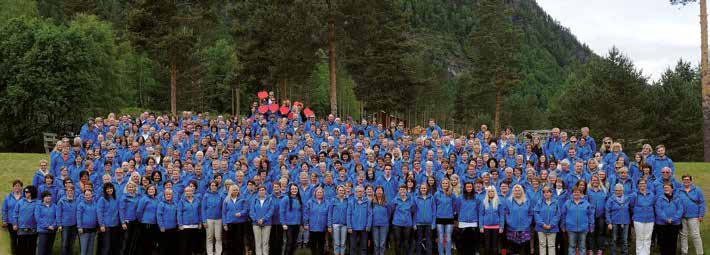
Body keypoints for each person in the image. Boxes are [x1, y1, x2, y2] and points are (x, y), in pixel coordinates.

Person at [560, 187, 593, 255]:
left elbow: (590, 215)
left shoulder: (586, 203)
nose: (576, 193)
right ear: (572, 193)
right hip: (571, 228)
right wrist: (563, 225)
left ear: (581, 194)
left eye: (578, 192)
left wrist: (591, 225)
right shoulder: (567, 203)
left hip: (583, 228)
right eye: (574, 192)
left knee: (582, 246)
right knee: (572, 246)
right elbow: (563, 215)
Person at [655, 182, 684, 255]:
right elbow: (658, 210)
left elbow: (680, 210)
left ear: (672, 189)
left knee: (673, 242)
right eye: (664, 188)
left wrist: (673, 219)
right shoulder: (660, 198)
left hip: (674, 224)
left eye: (668, 187)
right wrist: (666, 219)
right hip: (662, 224)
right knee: (663, 242)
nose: (666, 189)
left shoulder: (677, 198)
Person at [679, 174, 705, 255]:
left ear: (691, 181)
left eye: (688, 180)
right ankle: (684, 252)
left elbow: (702, 203)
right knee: (683, 235)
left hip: (694, 216)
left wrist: (701, 215)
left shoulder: (697, 190)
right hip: (682, 216)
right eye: (684, 180)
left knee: (695, 235)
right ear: (682, 181)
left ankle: (700, 253)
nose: (686, 181)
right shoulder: (679, 190)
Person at [505, 184, 534, 255]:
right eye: (515, 190)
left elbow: (530, 213)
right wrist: (509, 222)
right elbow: (506, 213)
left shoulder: (527, 201)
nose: (517, 192)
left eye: (519, 190)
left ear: (522, 191)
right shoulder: (508, 201)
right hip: (512, 229)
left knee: (524, 250)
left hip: (525, 228)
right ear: (513, 191)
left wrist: (528, 222)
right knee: (513, 250)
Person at [605, 183, 631, 255]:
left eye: (620, 190)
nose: (618, 192)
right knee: (614, 239)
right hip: (614, 222)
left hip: (625, 221)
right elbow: (607, 211)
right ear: (614, 191)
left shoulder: (627, 198)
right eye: (616, 190)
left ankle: (624, 253)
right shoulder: (611, 199)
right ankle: (613, 253)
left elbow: (631, 209)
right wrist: (609, 222)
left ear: (623, 191)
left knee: (624, 239)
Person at [630, 179, 654, 255]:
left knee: (647, 237)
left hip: (650, 219)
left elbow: (653, 205)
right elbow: (631, 206)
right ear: (638, 185)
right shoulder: (634, 195)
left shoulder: (651, 194)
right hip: (638, 219)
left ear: (646, 184)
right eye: (640, 183)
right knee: (640, 237)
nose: (642, 185)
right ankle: (639, 253)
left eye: (644, 183)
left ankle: (646, 253)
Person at [222, 185, 248, 255]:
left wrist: (241, 213)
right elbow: (224, 212)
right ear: (230, 191)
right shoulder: (226, 200)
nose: (236, 191)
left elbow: (245, 210)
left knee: (239, 241)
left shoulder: (242, 199)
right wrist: (224, 224)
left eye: (237, 190)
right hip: (230, 223)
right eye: (234, 190)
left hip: (240, 223)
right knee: (230, 241)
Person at [98, 182, 121, 255]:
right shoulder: (102, 199)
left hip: (115, 225)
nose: (109, 190)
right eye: (107, 189)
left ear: (113, 189)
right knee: (106, 246)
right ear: (105, 190)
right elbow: (99, 212)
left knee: (113, 245)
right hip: (106, 226)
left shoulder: (116, 198)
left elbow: (120, 210)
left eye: (110, 188)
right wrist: (101, 225)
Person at [535, 186, 559, 255]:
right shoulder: (539, 202)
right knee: (542, 245)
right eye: (544, 192)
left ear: (551, 193)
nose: (546, 194)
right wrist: (542, 224)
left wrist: (551, 224)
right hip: (541, 227)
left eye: (548, 192)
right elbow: (536, 213)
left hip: (552, 227)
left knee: (551, 245)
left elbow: (558, 214)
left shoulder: (556, 202)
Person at [480, 186, 504, 255]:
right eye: (489, 191)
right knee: (487, 245)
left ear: (495, 192)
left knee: (495, 245)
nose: (491, 193)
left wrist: (501, 226)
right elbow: (481, 214)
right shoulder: (484, 202)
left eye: (492, 191)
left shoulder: (499, 202)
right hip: (486, 227)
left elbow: (501, 215)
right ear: (487, 193)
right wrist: (481, 226)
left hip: (496, 227)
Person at [304, 186, 329, 255]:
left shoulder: (327, 202)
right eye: (318, 192)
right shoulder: (310, 202)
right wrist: (306, 224)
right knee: (313, 244)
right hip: (312, 227)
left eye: (321, 192)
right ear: (315, 193)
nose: (319, 194)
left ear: (323, 193)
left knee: (321, 244)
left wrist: (328, 225)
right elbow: (306, 213)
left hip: (322, 227)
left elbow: (328, 215)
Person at [178, 186, 202, 255]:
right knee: (185, 245)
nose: (188, 192)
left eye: (190, 191)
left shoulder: (197, 201)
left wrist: (200, 223)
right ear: (185, 193)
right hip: (185, 227)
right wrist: (180, 224)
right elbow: (179, 213)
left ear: (193, 192)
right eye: (186, 191)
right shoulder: (181, 201)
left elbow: (199, 212)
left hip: (195, 226)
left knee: (194, 245)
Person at [250, 185, 273, 255]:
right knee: (258, 242)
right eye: (260, 190)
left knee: (265, 242)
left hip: (267, 223)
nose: (262, 191)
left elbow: (271, 211)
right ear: (258, 191)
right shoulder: (254, 199)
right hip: (256, 224)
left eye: (263, 190)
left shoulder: (270, 199)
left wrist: (264, 219)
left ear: (265, 191)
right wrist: (257, 219)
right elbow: (251, 211)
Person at [281, 183, 303, 255]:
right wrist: (283, 223)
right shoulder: (286, 198)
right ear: (290, 190)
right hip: (289, 224)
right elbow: (282, 212)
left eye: (295, 189)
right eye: (292, 189)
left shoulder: (299, 199)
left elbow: (301, 211)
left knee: (294, 242)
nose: (294, 190)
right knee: (289, 242)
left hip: (297, 224)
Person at [348, 185, 371, 255]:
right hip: (353, 227)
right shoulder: (351, 202)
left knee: (363, 246)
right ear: (355, 193)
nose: (359, 193)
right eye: (358, 191)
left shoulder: (367, 201)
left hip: (364, 227)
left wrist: (368, 225)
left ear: (364, 192)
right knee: (353, 246)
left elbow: (370, 214)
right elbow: (348, 215)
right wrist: (349, 226)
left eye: (361, 191)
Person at [435, 178, 456, 255]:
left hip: (449, 218)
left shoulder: (452, 194)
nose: (445, 185)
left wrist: (450, 212)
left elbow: (454, 205)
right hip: (439, 218)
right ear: (441, 184)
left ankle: (448, 253)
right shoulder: (437, 194)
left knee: (448, 238)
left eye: (446, 183)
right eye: (443, 183)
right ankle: (441, 253)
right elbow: (435, 205)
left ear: (448, 184)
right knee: (440, 238)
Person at [202, 180, 223, 255]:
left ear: (217, 187)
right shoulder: (206, 196)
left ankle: (218, 253)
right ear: (210, 187)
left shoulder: (220, 195)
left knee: (218, 237)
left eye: (215, 185)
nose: (213, 187)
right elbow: (203, 209)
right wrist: (204, 221)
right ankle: (210, 253)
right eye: (212, 185)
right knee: (209, 237)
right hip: (209, 219)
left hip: (219, 219)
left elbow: (222, 208)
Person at [136, 185, 159, 253]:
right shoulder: (144, 199)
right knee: (146, 242)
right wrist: (142, 220)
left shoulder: (156, 199)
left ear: (155, 191)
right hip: (146, 224)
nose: (151, 191)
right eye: (149, 189)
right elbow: (139, 211)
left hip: (154, 224)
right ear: (147, 191)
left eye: (153, 189)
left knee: (152, 242)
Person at [2, 180, 23, 254]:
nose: (17, 187)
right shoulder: (7, 198)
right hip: (11, 222)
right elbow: (4, 210)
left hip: (22, 223)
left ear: (21, 188)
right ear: (13, 187)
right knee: (13, 240)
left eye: (19, 186)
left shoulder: (24, 197)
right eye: (15, 186)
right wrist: (4, 220)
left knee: (21, 240)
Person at [392, 185, 415, 255]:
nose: (402, 191)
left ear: (406, 190)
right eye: (401, 189)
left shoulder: (411, 199)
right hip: (397, 224)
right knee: (398, 242)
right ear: (399, 191)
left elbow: (413, 210)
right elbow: (391, 210)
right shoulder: (395, 200)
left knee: (406, 242)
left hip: (407, 224)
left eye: (403, 189)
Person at [119, 181, 140, 255]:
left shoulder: (138, 196)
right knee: (125, 240)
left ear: (135, 188)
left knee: (132, 240)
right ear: (127, 188)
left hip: (135, 221)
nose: (131, 188)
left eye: (133, 187)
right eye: (130, 187)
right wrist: (123, 222)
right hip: (127, 222)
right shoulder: (124, 197)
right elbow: (121, 210)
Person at [57, 184, 78, 255]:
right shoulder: (61, 201)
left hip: (74, 225)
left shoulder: (76, 200)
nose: (70, 192)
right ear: (66, 191)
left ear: (74, 191)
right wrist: (59, 224)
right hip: (65, 225)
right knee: (64, 243)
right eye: (68, 190)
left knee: (72, 243)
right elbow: (58, 214)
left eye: (71, 190)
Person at [414, 183, 435, 255]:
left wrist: (433, 223)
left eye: (424, 188)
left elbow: (434, 211)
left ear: (427, 189)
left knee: (429, 240)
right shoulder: (416, 198)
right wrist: (414, 223)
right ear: (420, 189)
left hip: (429, 223)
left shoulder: (431, 198)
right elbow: (415, 212)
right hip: (419, 223)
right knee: (419, 240)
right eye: (422, 188)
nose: (423, 189)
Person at [328, 185, 349, 255]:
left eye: (343, 190)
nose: (341, 192)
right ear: (337, 191)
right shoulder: (333, 200)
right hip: (335, 224)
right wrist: (329, 225)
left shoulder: (347, 200)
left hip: (344, 224)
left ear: (344, 192)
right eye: (340, 190)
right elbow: (330, 213)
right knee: (336, 243)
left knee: (343, 243)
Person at [77, 188, 98, 255]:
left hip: (93, 229)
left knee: (90, 249)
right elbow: (79, 216)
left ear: (92, 195)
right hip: (84, 229)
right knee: (84, 249)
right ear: (84, 196)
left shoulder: (95, 204)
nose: (88, 196)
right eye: (86, 195)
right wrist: (80, 227)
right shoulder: (81, 205)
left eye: (89, 195)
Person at [35, 191, 57, 255]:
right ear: (43, 198)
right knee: (42, 249)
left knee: (49, 249)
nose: (48, 197)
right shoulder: (39, 206)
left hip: (52, 230)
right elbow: (38, 218)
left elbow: (57, 217)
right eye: (46, 196)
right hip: (43, 231)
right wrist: (47, 226)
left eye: (49, 196)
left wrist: (54, 226)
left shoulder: (54, 206)